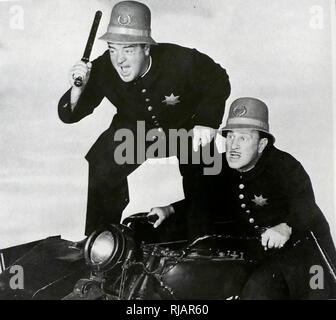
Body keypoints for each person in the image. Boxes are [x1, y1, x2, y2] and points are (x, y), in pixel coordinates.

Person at [58, 1, 231, 235]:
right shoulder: (102, 69)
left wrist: (208, 121)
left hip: (186, 129)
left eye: (128, 50)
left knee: (208, 174)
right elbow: (70, 116)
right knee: (101, 161)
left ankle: (204, 244)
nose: (119, 60)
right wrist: (77, 90)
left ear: (146, 48)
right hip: (136, 133)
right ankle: (101, 244)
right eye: (112, 49)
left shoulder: (180, 60)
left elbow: (217, 78)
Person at [150, 97, 336, 299]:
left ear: (262, 144)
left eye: (243, 138)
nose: (233, 146)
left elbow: (306, 207)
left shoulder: (284, 166)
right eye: (230, 137)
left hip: (298, 251)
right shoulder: (220, 166)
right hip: (254, 253)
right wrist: (169, 209)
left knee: (261, 292)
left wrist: (285, 226)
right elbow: (203, 201)